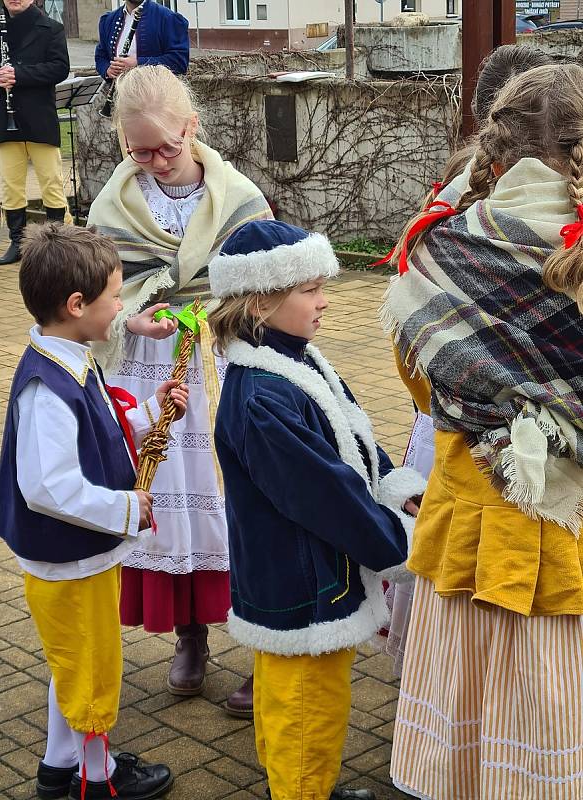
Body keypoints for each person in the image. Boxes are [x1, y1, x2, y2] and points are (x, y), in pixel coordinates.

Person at [385, 62, 583, 799]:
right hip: (573, 538)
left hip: (476, 524)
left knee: (474, 733)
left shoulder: (437, 247)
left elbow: (417, 379)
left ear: (494, 151)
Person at [208, 219, 427, 800]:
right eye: (310, 290)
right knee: (305, 712)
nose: (325, 301)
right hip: (298, 588)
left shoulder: (298, 359)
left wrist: (395, 485)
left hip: (312, 575)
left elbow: (351, 435)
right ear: (261, 299)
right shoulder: (261, 397)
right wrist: (406, 543)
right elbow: (327, 495)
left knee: (311, 706)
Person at [87, 64, 273, 716]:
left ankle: (264, 647)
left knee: (243, 508)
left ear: (192, 126)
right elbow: (90, 299)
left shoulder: (240, 200)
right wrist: (126, 318)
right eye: (140, 151)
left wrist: (211, 311)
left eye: (167, 145)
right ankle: (190, 640)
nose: (156, 161)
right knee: (166, 507)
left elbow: (269, 290)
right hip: (145, 375)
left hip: (220, 376)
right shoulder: (113, 205)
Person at [0, 224, 189, 800]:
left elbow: (97, 433)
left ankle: (60, 765)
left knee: (72, 664)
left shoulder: (71, 358)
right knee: (95, 669)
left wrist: (151, 412)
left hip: (75, 557)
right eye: (115, 296)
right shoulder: (47, 386)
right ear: (77, 306)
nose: (121, 307)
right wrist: (128, 507)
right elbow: (48, 487)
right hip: (69, 562)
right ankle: (95, 781)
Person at [383, 42, 555, 677]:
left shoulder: (452, 223)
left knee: (468, 629)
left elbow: (415, 356)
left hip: (467, 452)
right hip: (562, 496)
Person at [0, 0, 71, 266]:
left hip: (40, 119)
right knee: (11, 185)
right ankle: (17, 242)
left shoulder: (51, 28)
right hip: (6, 121)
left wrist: (19, 74)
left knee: (51, 183)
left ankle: (59, 242)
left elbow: (59, 67)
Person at [95, 0, 189, 82]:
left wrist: (138, 63)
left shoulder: (168, 18)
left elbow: (179, 61)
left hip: (155, 95)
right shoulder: (108, 20)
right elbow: (101, 56)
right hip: (120, 96)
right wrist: (107, 70)